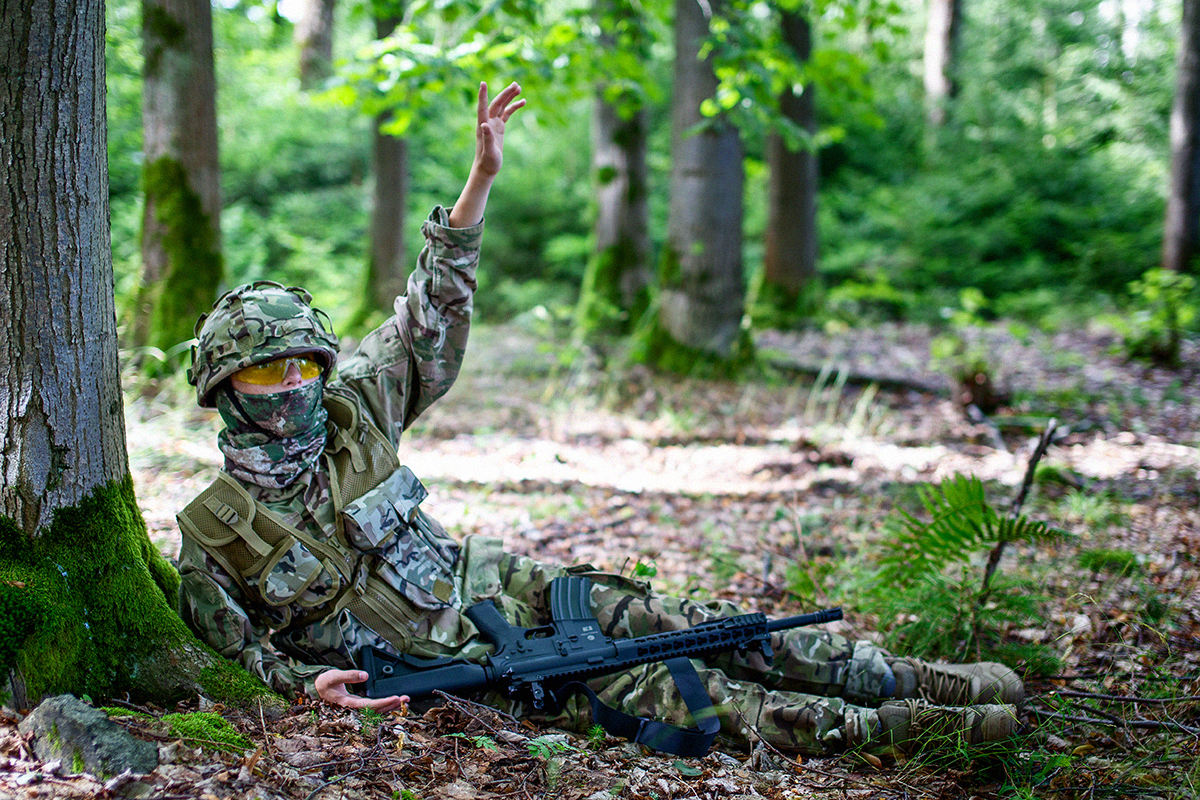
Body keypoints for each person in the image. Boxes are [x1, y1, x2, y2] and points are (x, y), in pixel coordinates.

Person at [176, 80, 1024, 757]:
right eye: (264, 370)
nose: (289, 385)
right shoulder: (217, 534)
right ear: (225, 388)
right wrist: (299, 688)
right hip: (474, 672)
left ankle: (923, 681)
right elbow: (237, 653)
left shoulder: (355, 407)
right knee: (698, 699)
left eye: (300, 365)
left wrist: (479, 183)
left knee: (697, 625)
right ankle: (928, 733)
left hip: (510, 589)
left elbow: (430, 311)